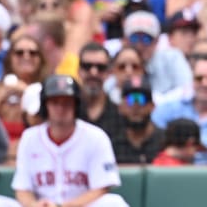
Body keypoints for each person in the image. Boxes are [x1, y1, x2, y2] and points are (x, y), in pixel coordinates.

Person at [12, 75, 128, 207]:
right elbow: (22, 189)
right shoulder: (29, 138)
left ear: (76, 105)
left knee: (114, 202)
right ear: (45, 105)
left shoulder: (96, 137)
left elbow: (102, 188)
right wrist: (33, 205)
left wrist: (64, 206)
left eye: (67, 102)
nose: (60, 108)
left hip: (81, 205)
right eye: (55, 102)